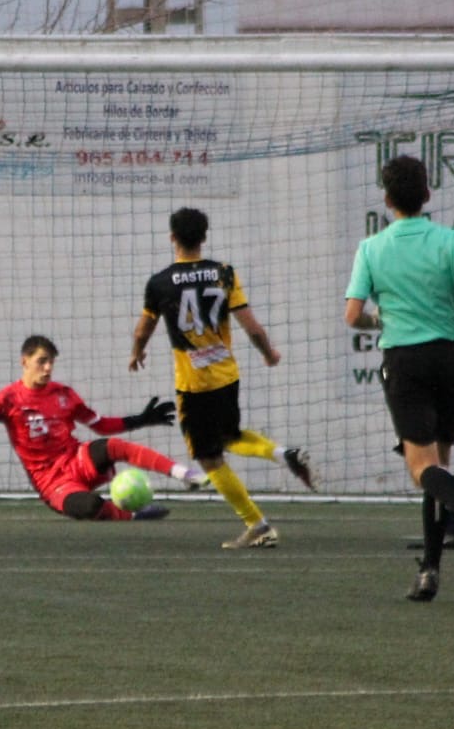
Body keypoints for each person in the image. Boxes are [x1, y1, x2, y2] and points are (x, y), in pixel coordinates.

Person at [344, 154, 454, 602]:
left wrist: (380, 320)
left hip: (406, 361)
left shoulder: (371, 248)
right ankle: (430, 572)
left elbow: (353, 316)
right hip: (450, 359)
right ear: (427, 195)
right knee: (438, 467)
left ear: (386, 200)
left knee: (422, 470)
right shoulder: (449, 239)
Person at [130, 207, 318, 550]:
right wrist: (268, 353)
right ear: (204, 238)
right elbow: (252, 327)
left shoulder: (160, 282)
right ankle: (282, 453)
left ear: (172, 237)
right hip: (227, 377)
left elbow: (144, 329)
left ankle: (257, 525)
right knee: (229, 436)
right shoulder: (224, 274)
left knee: (209, 458)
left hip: (194, 385)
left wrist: (137, 352)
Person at [0, 334, 199, 521]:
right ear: (25, 361)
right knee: (89, 507)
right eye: (42, 361)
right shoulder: (5, 400)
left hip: (77, 460)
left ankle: (184, 474)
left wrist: (141, 419)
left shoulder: (63, 394)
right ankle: (133, 515)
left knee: (112, 447)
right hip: (51, 482)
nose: (48, 368)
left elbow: (100, 426)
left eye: (51, 362)